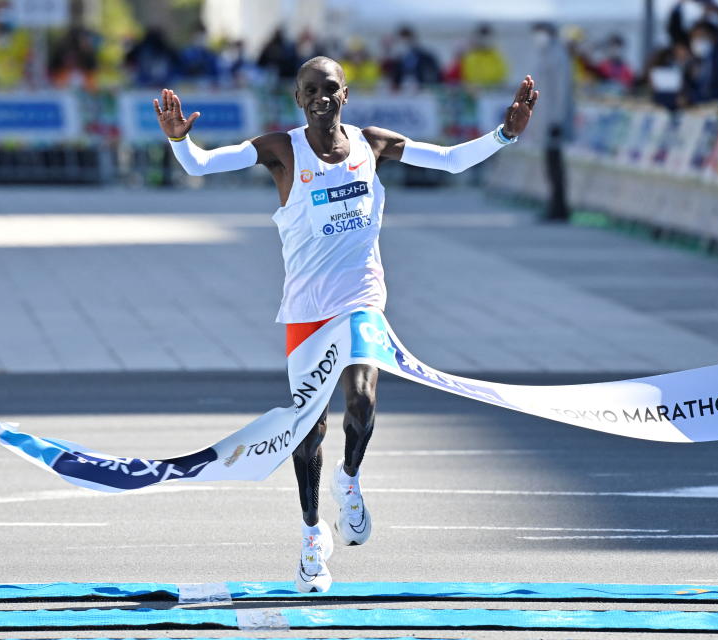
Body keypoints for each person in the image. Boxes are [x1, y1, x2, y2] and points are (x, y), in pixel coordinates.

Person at [154, 57, 538, 592]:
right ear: (297, 98)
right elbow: (200, 166)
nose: (321, 97)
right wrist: (179, 142)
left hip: (360, 301)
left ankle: (350, 480)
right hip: (306, 310)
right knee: (308, 430)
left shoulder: (372, 145)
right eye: (310, 89)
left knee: (361, 401)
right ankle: (313, 537)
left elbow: (448, 160)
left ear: (345, 95)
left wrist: (504, 134)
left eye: (330, 88)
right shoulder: (281, 150)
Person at [531, 22, 572, 222]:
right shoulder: (546, 54)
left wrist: (557, 120)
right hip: (546, 119)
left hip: (553, 120)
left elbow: (561, 91)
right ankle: (555, 204)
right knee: (550, 165)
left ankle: (559, 207)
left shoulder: (557, 55)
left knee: (555, 165)